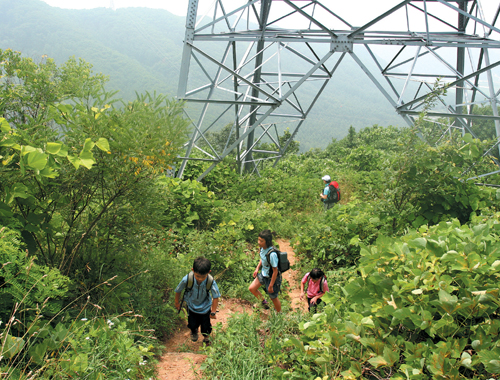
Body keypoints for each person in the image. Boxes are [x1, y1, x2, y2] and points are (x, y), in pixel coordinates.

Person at [174, 257, 221, 345]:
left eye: (203, 277)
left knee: (206, 325)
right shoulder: (187, 279)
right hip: (191, 306)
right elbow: (178, 290)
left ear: (209, 272)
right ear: (193, 270)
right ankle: (194, 331)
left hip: (205, 307)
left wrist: (213, 312)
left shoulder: (210, 281)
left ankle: (206, 338)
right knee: (192, 323)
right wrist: (177, 303)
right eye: (197, 276)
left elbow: (216, 297)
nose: (200, 279)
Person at [248, 230, 282, 312]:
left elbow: (275, 271)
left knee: (273, 297)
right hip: (263, 274)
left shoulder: (272, 254)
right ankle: (264, 303)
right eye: (258, 240)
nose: (259, 242)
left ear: (267, 241)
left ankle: (279, 314)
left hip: (272, 278)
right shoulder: (262, 248)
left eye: (261, 241)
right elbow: (263, 258)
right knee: (252, 288)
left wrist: (271, 285)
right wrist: (257, 268)